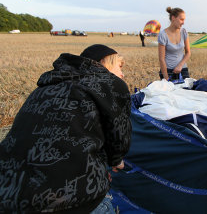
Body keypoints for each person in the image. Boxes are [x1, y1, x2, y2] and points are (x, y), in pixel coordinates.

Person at [0, 44, 132, 213]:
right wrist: (116, 161)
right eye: (119, 67)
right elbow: (119, 141)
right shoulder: (111, 84)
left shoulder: (44, 87)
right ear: (104, 63)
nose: (123, 74)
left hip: (8, 194)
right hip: (67, 200)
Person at [158, 6, 191, 80]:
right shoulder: (163, 35)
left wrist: (180, 65)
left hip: (183, 69)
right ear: (173, 18)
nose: (183, 22)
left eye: (184, 20)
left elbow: (188, 53)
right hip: (168, 71)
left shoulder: (184, 32)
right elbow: (161, 59)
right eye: (181, 19)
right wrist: (166, 78)